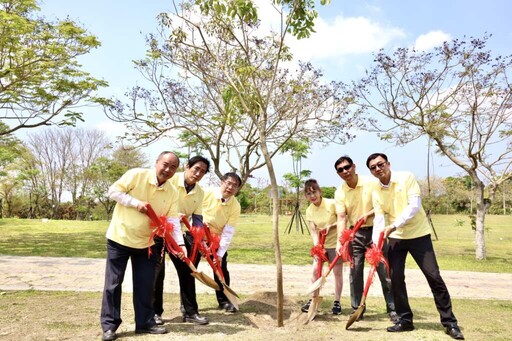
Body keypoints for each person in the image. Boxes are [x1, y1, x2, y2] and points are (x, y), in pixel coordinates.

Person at [367, 153, 464, 340]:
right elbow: (379, 219)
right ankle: (405, 320)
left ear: (388, 163)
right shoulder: (376, 191)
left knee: (433, 276)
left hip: (419, 234)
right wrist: (375, 244)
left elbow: (414, 205)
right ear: (371, 172)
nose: (378, 168)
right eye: (373, 167)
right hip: (396, 237)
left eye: (380, 164)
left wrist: (394, 225)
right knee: (395, 279)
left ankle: (450, 322)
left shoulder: (406, 177)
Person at [100, 151, 184, 341]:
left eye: (173, 167)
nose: (168, 170)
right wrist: (135, 203)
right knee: (113, 284)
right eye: (165, 164)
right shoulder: (136, 174)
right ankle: (109, 326)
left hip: (147, 243)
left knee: (146, 284)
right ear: (156, 162)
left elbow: (172, 220)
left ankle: (145, 322)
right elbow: (113, 191)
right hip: (119, 238)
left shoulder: (172, 192)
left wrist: (180, 245)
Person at [333, 155, 396, 322]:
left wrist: (368, 214)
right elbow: (341, 217)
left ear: (354, 166)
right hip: (356, 234)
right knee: (355, 272)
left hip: (376, 230)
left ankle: (393, 309)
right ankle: (357, 309)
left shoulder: (371, 182)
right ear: (338, 173)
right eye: (341, 170)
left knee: (384, 270)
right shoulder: (340, 192)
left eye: (347, 167)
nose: (345, 171)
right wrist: (341, 241)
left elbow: (383, 204)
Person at [152, 156, 210, 326]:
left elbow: (197, 217)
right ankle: (155, 313)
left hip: (179, 235)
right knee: (157, 273)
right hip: (159, 233)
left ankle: (190, 311)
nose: (198, 173)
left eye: (203, 172)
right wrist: (170, 217)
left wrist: (198, 236)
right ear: (187, 166)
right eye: (196, 169)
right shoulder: (171, 179)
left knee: (188, 270)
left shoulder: (199, 192)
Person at [301, 179, 343, 315]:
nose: (312, 196)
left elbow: (343, 220)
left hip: (335, 244)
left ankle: (337, 302)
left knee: (337, 273)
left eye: (314, 192)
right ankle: (313, 298)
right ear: (306, 196)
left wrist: (331, 226)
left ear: (320, 192)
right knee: (315, 272)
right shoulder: (309, 210)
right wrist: (317, 248)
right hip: (321, 245)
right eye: (308, 194)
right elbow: (313, 232)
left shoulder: (331, 204)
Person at [202, 172, 242, 313]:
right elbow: (195, 213)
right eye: (228, 183)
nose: (230, 187)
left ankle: (225, 301)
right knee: (188, 270)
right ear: (222, 182)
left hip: (216, 239)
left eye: (235, 186)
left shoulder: (235, 206)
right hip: (197, 235)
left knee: (221, 269)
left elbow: (228, 231)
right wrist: (200, 237)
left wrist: (219, 254)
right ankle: (188, 306)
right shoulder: (206, 193)